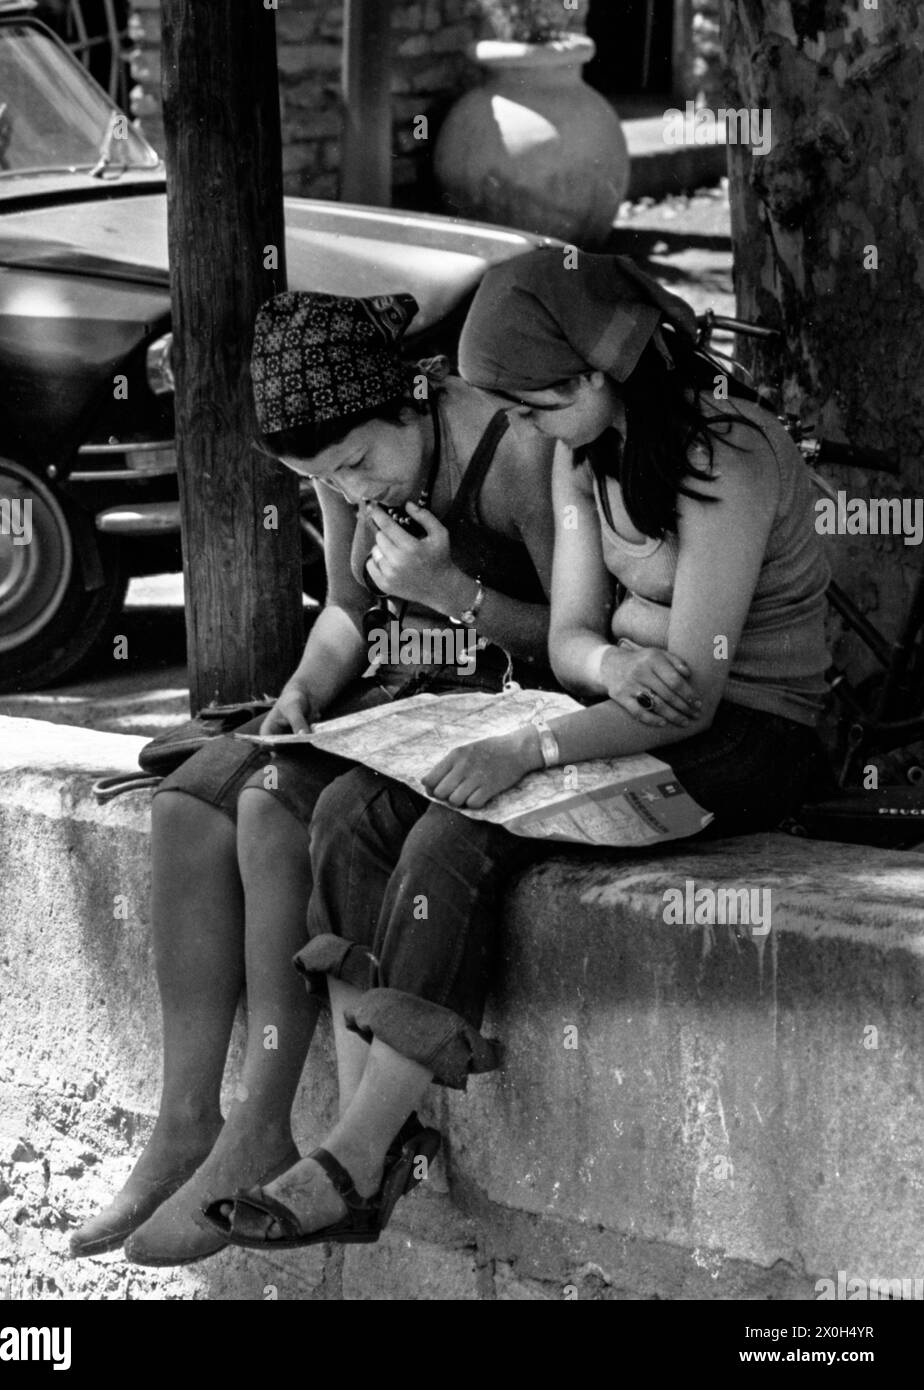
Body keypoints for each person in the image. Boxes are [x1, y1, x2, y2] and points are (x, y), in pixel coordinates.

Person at [197, 250, 831, 1249]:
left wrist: (533, 744)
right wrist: (609, 667)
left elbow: (694, 693)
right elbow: (576, 637)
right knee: (349, 814)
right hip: (626, 713)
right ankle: (366, 1134)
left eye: (532, 408)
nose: (521, 431)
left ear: (593, 377)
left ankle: (356, 1157)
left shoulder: (728, 456)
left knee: (461, 831)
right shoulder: (584, 454)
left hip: (747, 736)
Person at [69, 289, 557, 1263]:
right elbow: (343, 610)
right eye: (321, 480)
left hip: (499, 715)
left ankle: (260, 1126)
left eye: (359, 465)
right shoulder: (347, 458)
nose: (354, 490)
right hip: (397, 705)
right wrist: (299, 689)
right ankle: (181, 1122)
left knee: (263, 805)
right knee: (187, 795)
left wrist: (450, 593)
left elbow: (575, 646)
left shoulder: (510, 458)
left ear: (409, 402)